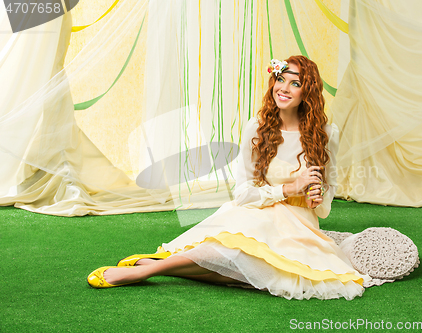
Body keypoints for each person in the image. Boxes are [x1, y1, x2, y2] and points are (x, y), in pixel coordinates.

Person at [87, 55, 371, 300]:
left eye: (295, 83)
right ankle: (150, 270)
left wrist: (315, 197)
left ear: (306, 92)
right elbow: (244, 193)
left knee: (253, 272)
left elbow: (324, 205)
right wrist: (287, 189)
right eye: (280, 79)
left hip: (298, 224)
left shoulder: (327, 134)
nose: (284, 88)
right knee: (237, 252)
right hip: (256, 210)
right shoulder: (257, 128)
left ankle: (154, 264)